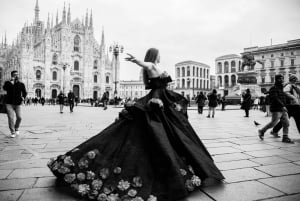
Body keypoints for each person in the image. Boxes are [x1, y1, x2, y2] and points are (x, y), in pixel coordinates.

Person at [47, 48, 224, 201]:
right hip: (158, 99)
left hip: (161, 98)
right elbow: (146, 65)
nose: (160, 57)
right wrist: (136, 60)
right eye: (159, 55)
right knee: (166, 130)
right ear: (155, 56)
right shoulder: (152, 66)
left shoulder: (155, 68)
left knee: (170, 129)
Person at [258, 74, 293, 143]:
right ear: (276, 79)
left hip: (283, 109)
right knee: (273, 123)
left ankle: (285, 137)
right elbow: (275, 98)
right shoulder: (273, 88)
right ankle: (262, 131)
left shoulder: (282, 88)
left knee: (286, 123)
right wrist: (282, 106)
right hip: (276, 109)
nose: (282, 80)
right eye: (280, 79)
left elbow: (283, 97)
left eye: (282, 78)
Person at [3, 70, 27, 138]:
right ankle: (12, 132)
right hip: (9, 103)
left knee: (19, 117)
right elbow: (4, 88)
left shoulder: (21, 84)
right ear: (12, 75)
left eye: (17, 74)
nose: (16, 76)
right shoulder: (8, 83)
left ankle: (16, 127)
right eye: (14, 74)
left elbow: (24, 92)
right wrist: (11, 82)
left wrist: (23, 98)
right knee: (11, 118)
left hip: (17, 103)